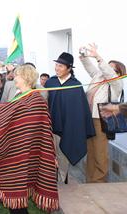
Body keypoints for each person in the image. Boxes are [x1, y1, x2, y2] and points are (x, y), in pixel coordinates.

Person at [0, 64, 59, 214]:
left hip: (27, 154)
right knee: (15, 199)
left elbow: (38, 129)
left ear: (26, 78)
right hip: (14, 153)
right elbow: (8, 114)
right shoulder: (20, 96)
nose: (14, 78)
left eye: (17, 75)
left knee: (17, 203)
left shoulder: (36, 100)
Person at [45, 52, 95, 183]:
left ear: (69, 68)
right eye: (56, 65)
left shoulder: (76, 86)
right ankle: (50, 184)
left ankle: (63, 183)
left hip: (68, 130)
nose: (57, 68)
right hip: (50, 128)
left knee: (63, 158)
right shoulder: (51, 82)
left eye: (60, 66)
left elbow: (79, 111)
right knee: (50, 157)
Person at [79, 43, 124, 183]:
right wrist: (83, 54)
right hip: (90, 119)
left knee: (100, 153)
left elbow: (109, 74)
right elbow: (89, 67)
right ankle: (90, 181)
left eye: (112, 68)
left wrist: (98, 57)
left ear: (118, 73)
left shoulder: (116, 84)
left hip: (101, 120)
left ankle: (99, 183)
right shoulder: (98, 77)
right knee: (91, 152)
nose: (107, 68)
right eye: (107, 65)